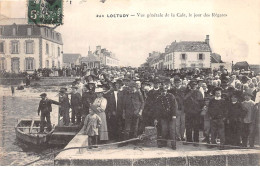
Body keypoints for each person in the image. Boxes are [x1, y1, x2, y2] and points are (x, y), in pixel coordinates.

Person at [154, 80, 177, 149]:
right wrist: (156, 118)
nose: (163, 92)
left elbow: (174, 106)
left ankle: (173, 144)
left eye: (164, 91)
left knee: (172, 130)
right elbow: (157, 110)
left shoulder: (171, 96)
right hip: (163, 117)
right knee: (164, 130)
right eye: (161, 91)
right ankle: (164, 143)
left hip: (171, 116)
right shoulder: (158, 98)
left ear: (166, 90)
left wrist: (174, 115)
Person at [183, 79, 204, 145]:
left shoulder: (199, 92)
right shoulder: (187, 92)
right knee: (188, 126)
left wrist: (199, 110)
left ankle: (196, 141)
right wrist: (190, 92)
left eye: (195, 85)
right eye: (192, 85)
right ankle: (189, 140)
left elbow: (201, 102)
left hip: (196, 112)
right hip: (188, 112)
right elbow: (184, 100)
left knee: (196, 127)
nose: (193, 86)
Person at [169, 77, 186, 141]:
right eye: (176, 82)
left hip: (183, 109)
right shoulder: (172, 90)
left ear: (180, 83)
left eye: (178, 82)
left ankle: (183, 135)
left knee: (183, 123)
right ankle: (177, 136)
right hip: (176, 109)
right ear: (174, 83)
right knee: (177, 124)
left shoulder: (184, 89)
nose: (177, 84)